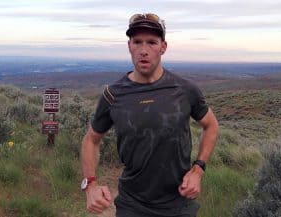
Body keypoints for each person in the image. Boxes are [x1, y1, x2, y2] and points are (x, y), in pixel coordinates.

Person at [81, 13, 219, 217]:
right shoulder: (113, 95)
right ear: (129, 46)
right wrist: (90, 185)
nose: (143, 50)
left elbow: (211, 126)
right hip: (132, 204)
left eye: (152, 42)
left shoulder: (185, 89)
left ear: (163, 47)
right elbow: (91, 140)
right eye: (137, 42)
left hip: (178, 203)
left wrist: (198, 170)